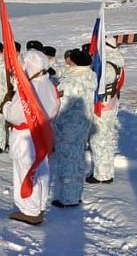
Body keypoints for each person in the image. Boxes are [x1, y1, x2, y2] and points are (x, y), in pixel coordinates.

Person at [2, 49, 60, 225]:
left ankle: (30, 211)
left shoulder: (29, 88)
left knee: (27, 171)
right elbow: (55, 108)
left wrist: (6, 104)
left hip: (27, 136)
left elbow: (15, 115)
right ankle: (38, 205)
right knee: (41, 170)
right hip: (43, 133)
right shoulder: (49, 84)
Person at [51, 49, 97, 207]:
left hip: (69, 124)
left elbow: (62, 100)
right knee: (77, 158)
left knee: (68, 159)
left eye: (71, 58)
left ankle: (68, 198)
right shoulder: (90, 75)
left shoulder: (73, 78)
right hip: (82, 123)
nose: (68, 60)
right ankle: (74, 194)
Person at [88, 36, 126, 184]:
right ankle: (106, 172)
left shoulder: (108, 66)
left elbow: (100, 81)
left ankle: (101, 174)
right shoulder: (116, 62)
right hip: (110, 104)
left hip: (103, 106)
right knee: (107, 138)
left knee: (99, 140)